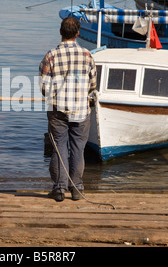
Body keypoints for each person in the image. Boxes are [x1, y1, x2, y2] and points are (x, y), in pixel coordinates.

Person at [39, 17, 97, 202]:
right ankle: (77, 188)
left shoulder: (51, 55)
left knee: (59, 148)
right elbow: (92, 84)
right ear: (78, 33)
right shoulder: (87, 55)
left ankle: (59, 188)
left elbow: (44, 87)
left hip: (58, 110)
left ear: (60, 32)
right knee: (78, 150)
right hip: (80, 109)